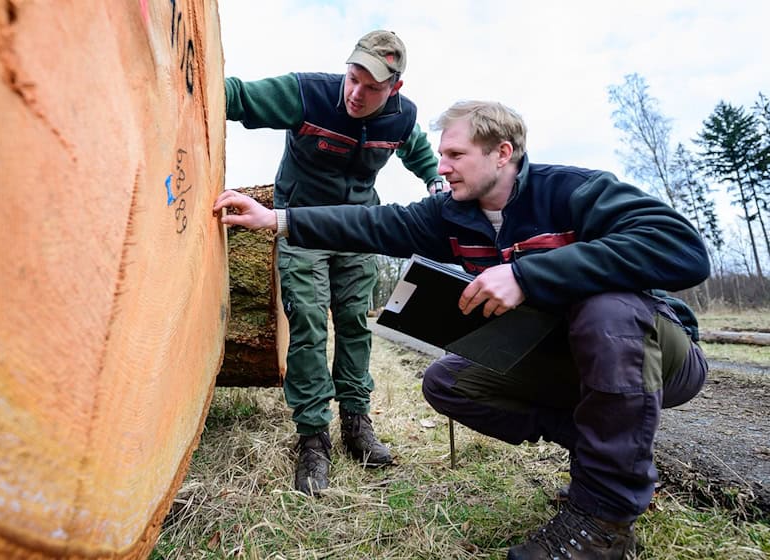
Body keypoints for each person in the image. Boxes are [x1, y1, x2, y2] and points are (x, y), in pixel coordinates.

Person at [214, 100, 709, 560]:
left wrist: (525, 274)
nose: (441, 165)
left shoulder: (573, 190)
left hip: (656, 354)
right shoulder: (452, 215)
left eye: (455, 153)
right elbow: (373, 224)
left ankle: (604, 519)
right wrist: (277, 218)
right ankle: (613, 455)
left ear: (502, 154)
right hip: (569, 362)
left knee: (608, 308)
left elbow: (680, 248)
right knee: (449, 382)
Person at [224, 30, 442, 496]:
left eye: (371, 87)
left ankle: (357, 424)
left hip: (356, 229)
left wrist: (434, 182)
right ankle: (312, 438)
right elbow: (236, 96)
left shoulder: (401, 117)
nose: (356, 93)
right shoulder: (308, 94)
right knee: (306, 320)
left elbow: (418, 149)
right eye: (353, 78)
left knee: (354, 321)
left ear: (394, 90)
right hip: (297, 225)